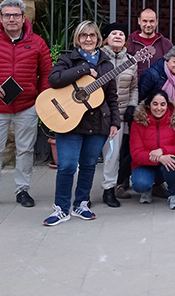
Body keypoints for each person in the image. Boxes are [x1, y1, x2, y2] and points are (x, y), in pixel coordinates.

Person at [0, 0, 52, 211]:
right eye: (7, 15)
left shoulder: (37, 42)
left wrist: (42, 99)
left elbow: (46, 73)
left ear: (24, 18)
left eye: (16, 15)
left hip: (27, 106)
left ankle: (22, 190)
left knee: (25, 150)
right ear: (1, 18)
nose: (12, 19)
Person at [44, 21, 120, 226]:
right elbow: (54, 79)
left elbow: (112, 96)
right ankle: (61, 208)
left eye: (92, 35)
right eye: (83, 35)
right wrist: (84, 69)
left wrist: (115, 122)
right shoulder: (68, 59)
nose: (88, 39)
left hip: (97, 123)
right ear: (77, 38)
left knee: (88, 165)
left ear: (98, 39)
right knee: (67, 165)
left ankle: (81, 204)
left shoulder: (107, 65)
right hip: (69, 121)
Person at [99, 22, 138, 208]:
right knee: (90, 155)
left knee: (113, 155)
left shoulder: (132, 61)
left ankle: (109, 189)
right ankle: (82, 192)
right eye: (113, 33)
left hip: (119, 116)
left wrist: (132, 105)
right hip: (95, 114)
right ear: (105, 38)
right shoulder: (97, 59)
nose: (117, 36)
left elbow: (134, 87)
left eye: (121, 34)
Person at [129, 90, 175, 209]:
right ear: (148, 105)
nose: (159, 108)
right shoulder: (138, 122)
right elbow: (136, 153)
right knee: (141, 184)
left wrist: (163, 150)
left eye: (162, 104)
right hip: (145, 164)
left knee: (173, 162)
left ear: (168, 105)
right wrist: (159, 158)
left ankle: (173, 194)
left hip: (166, 162)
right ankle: (147, 189)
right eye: (155, 104)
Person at [138, 46, 175, 120]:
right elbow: (142, 99)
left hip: (171, 116)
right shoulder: (151, 74)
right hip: (150, 115)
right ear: (167, 61)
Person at [127, 8, 173, 78]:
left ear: (157, 22)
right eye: (145, 21)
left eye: (151, 21)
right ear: (139, 21)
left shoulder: (166, 44)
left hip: (159, 87)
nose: (148, 25)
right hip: (134, 86)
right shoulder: (129, 42)